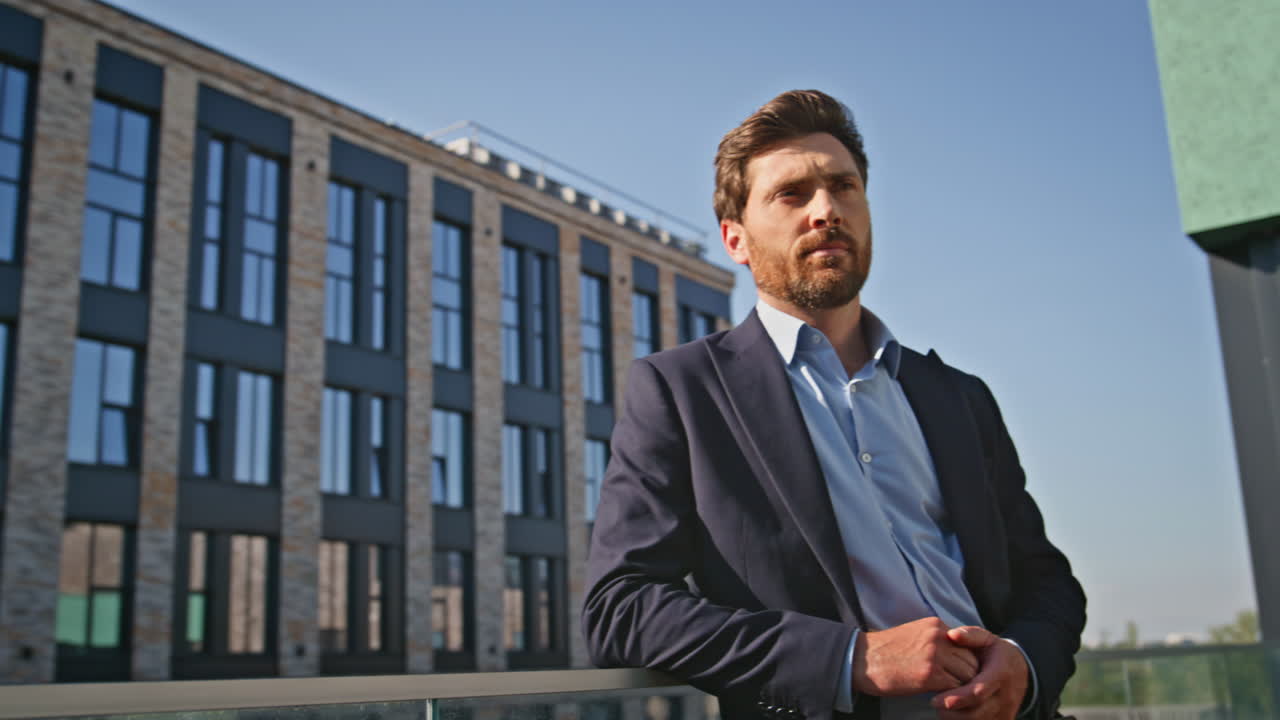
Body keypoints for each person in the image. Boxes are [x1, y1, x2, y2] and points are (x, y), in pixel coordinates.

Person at [581, 90, 1085, 720]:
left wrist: (1024, 661)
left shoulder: (959, 396)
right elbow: (620, 608)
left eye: (844, 187)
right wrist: (849, 659)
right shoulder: (681, 392)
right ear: (735, 239)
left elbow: (1046, 580)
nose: (826, 210)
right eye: (791, 194)